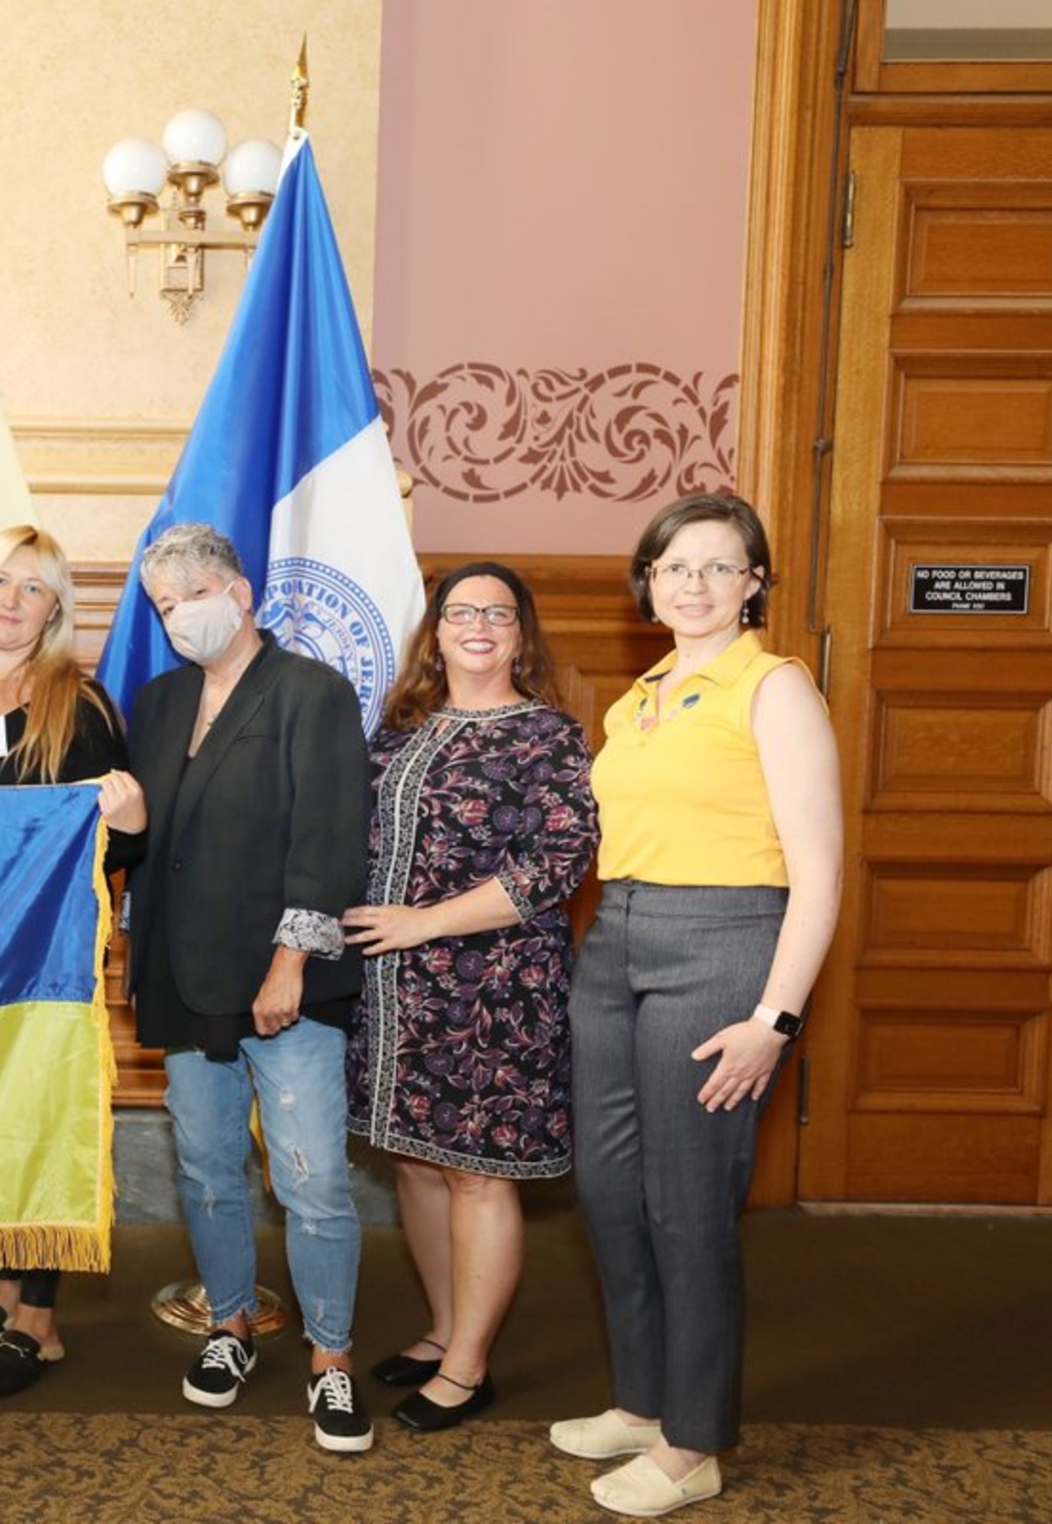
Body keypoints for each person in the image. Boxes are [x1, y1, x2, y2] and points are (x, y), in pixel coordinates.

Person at [555, 493, 840, 1518]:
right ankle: (644, 1403)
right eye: (675, 566)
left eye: (720, 566)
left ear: (753, 582)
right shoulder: (638, 699)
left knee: (686, 1204)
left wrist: (775, 1019)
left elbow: (819, 874)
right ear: (648, 582)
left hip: (723, 942)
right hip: (616, 940)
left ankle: (693, 1443)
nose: (695, 584)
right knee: (608, 1190)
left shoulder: (774, 688)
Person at [121, 523, 376, 1454]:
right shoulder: (159, 701)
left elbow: (328, 840)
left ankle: (331, 1356)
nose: (177, 617)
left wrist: (290, 963)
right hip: (184, 977)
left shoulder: (310, 691)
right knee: (205, 1168)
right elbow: (150, 843)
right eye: (163, 606)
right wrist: (124, 825)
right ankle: (228, 1323)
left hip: (283, 980)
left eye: (191, 596)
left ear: (239, 594)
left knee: (310, 1179)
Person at [341, 562, 600, 1433]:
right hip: (395, 993)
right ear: (437, 632)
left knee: (478, 1174)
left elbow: (558, 865)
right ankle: (445, 1328)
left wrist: (426, 923)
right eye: (461, 612)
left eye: (499, 613)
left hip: (496, 992)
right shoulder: (400, 731)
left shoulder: (548, 735)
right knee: (416, 1160)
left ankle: (469, 1366)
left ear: (521, 635)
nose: (479, 626)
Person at [0, 525, 149, 1397]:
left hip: (43, 960)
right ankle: (2, 1296)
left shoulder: (79, 705)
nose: (11, 600)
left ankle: (40, 1319)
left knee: (40, 1122)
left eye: (33, 587)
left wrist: (131, 822)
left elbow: (117, 848)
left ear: (54, 610)